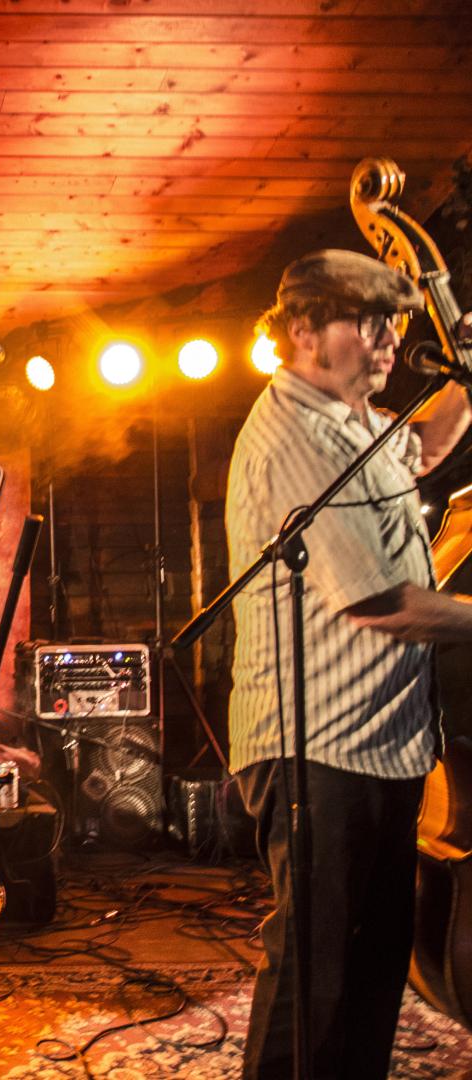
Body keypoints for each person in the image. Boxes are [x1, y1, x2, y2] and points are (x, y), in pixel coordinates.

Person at [226, 249, 472, 1078]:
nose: (389, 341)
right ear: (303, 330)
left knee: (372, 966)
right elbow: (383, 603)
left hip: (381, 745)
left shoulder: (353, 422)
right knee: (316, 976)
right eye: (369, 324)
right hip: (316, 746)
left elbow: (424, 452)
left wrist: (470, 378)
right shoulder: (296, 435)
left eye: (395, 325)